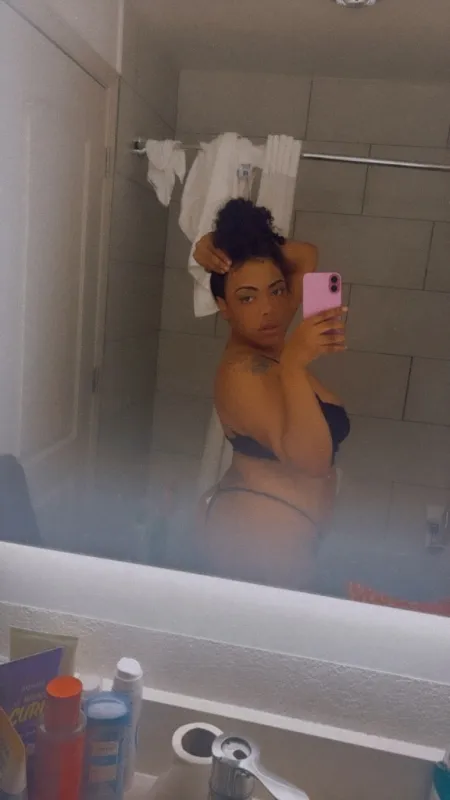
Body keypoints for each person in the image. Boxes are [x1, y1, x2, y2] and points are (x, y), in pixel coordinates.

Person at [193, 198, 350, 591]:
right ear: (223, 306)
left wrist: (230, 242)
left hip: (286, 538)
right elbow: (313, 461)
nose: (270, 309)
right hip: (256, 544)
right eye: (247, 297)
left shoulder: (270, 337)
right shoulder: (243, 373)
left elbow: (305, 254)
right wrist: (294, 364)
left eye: (277, 291)